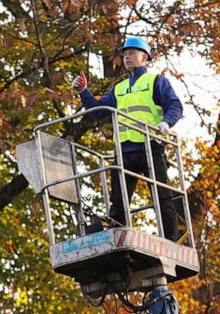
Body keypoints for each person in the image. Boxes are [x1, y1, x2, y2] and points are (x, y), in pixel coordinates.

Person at [72, 37, 184, 241]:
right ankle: (117, 238)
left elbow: (175, 106)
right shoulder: (120, 88)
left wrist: (166, 123)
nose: (127, 57)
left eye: (132, 53)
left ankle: (171, 241)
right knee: (118, 202)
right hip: (125, 151)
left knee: (162, 196)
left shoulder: (156, 81)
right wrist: (83, 92)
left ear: (145, 57)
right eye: (124, 54)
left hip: (150, 146)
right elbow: (98, 111)